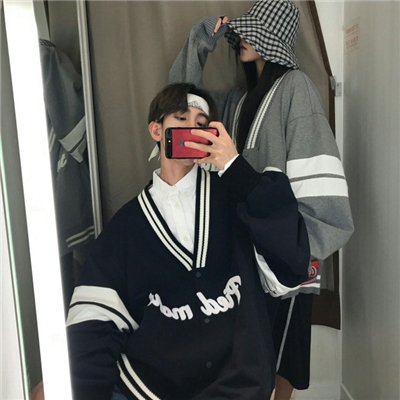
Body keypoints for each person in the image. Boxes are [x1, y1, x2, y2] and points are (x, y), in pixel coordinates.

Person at [49, 82, 309, 400]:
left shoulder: (240, 199)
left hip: (238, 387)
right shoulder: (127, 227)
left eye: (201, 124)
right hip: (150, 388)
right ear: (156, 130)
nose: (192, 130)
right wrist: (69, 386)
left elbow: (291, 265)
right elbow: (92, 325)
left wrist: (234, 166)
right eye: (181, 119)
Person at [168, 1, 354, 399]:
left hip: (284, 251)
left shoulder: (296, 88)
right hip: (246, 253)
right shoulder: (237, 100)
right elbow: (181, 107)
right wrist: (200, 44)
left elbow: (319, 186)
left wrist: (301, 249)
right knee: (252, 360)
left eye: (253, 33)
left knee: (281, 361)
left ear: (273, 40)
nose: (242, 39)